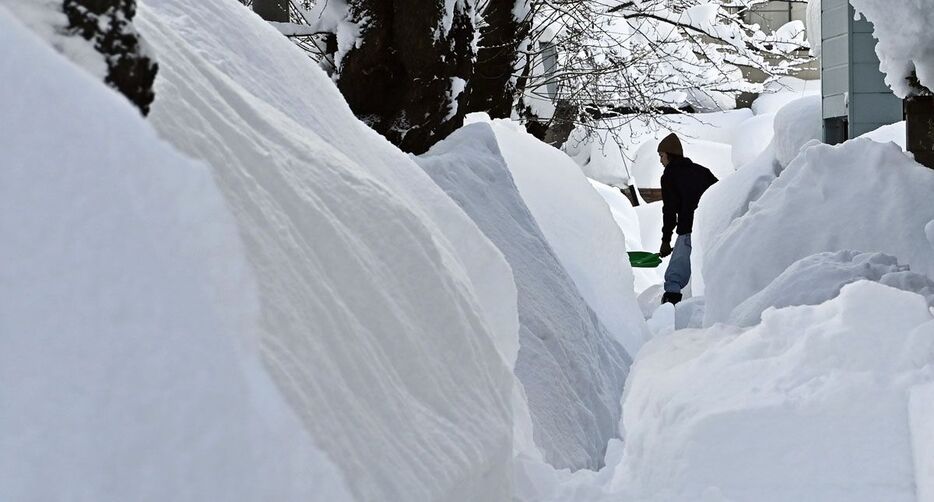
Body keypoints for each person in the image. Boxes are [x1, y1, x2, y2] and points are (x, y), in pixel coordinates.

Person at [656, 133, 718, 305]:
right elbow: (720, 193)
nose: (660, 160)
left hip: (688, 229)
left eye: (661, 156)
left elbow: (669, 211)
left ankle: (670, 304)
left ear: (668, 154)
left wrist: (666, 240)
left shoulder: (669, 175)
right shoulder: (702, 171)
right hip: (710, 226)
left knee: (675, 275)